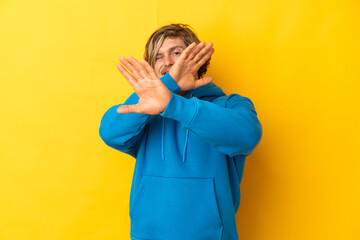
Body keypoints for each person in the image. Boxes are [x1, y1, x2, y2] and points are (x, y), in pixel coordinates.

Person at [99, 23, 262, 240]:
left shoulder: (230, 105)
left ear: (196, 58)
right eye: (158, 57)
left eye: (176, 52)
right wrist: (168, 85)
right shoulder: (145, 112)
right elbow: (110, 132)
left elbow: (247, 135)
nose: (167, 62)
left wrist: (173, 105)